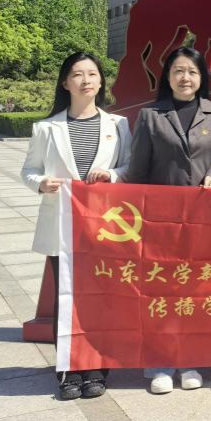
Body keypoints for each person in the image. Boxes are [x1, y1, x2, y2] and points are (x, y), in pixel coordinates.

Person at [21, 51, 131, 401]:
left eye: (92, 73)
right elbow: (28, 170)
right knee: (66, 299)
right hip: (62, 225)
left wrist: (112, 174)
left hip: (104, 227)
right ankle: (69, 370)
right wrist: (41, 183)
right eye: (78, 74)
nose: (86, 80)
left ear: (101, 81)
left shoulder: (119, 125)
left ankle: (97, 366)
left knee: (100, 299)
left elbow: (130, 167)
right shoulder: (46, 128)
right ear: (65, 82)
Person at [126, 46, 211, 394]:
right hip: (161, 221)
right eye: (178, 71)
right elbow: (137, 171)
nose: (186, 78)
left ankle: (190, 360)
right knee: (162, 291)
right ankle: (160, 363)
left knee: (196, 290)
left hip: (203, 219)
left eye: (192, 71)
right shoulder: (150, 116)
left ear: (202, 78)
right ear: (168, 76)